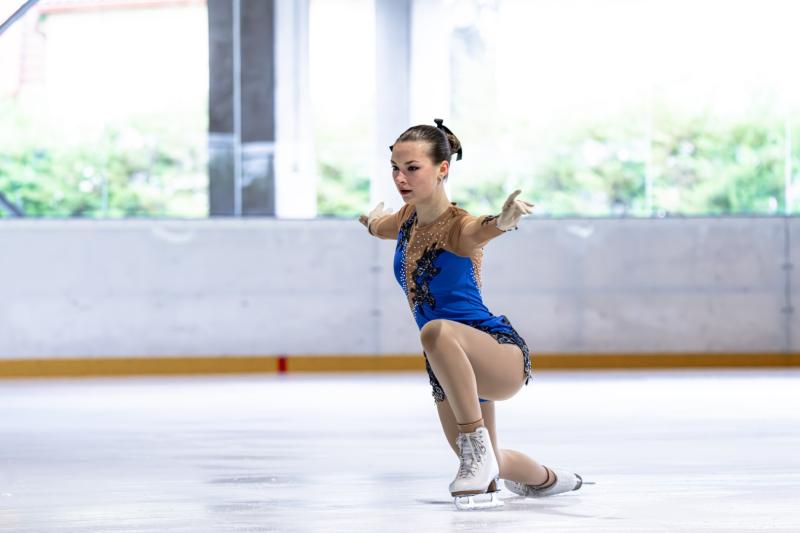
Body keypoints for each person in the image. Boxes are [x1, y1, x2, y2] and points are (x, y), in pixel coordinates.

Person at [358, 119, 587, 510]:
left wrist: (501, 223)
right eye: (395, 168)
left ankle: (476, 450)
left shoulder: (458, 226)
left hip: (495, 353)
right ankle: (553, 479)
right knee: (489, 463)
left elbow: (479, 230)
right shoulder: (407, 218)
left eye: (412, 168)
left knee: (434, 332)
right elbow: (383, 227)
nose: (400, 178)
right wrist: (370, 222)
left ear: (442, 168)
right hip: (450, 367)